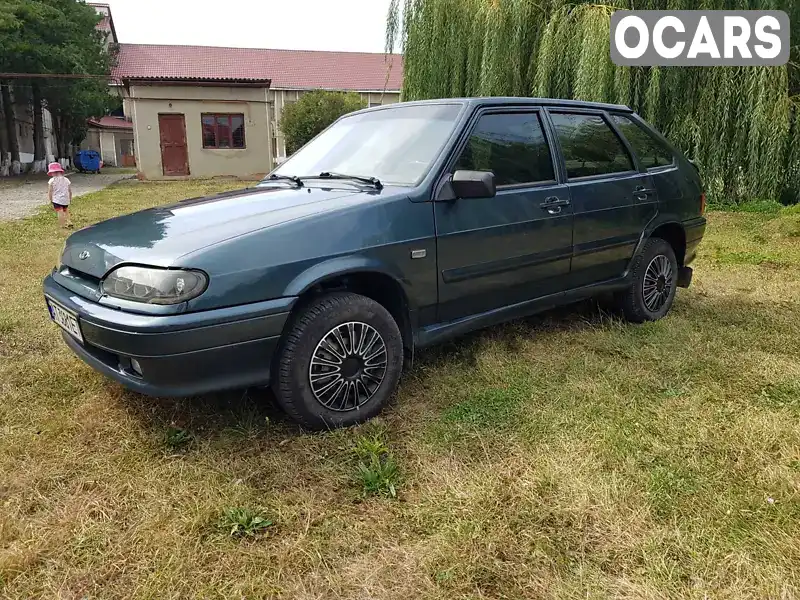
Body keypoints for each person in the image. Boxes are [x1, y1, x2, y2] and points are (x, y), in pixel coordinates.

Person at [47, 162, 73, 228]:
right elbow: (69, 191)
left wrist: (50, 199)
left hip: (57, 199)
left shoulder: (52, 180)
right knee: (66, 210)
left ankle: (62, 225)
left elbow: (50, 191)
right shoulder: (67, 180)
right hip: (65, 199)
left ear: (53, 172)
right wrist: (70, 198)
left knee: (60, 212)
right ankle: (69, 221)